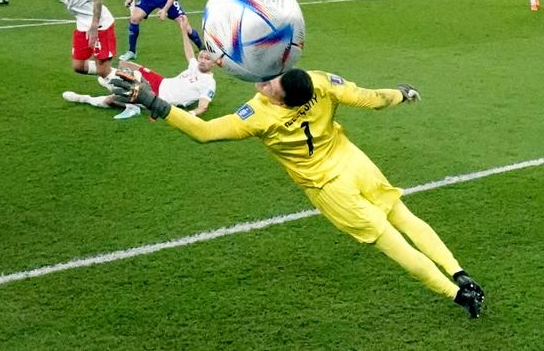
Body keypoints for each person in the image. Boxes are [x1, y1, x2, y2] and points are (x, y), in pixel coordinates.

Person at [109, 68, 486, 318]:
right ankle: (458, 273)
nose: (265, 82)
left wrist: (153, 101)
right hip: (352, 161)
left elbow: (204, 132)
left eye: (271, 84)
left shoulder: (258, 115)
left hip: (330, 188)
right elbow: (372, 98)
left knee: (392, 237)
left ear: (282, 100)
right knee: (401, 215)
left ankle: (456, 290)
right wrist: (401, 94)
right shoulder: (319, 82)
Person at [63, 25, 216, 119]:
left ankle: (84, 98)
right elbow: (189, 53)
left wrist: (192, 114)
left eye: (207, 59)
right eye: (201, 56)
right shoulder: (195, 66)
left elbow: (203, 106)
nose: (202, 60)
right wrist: (184, 31)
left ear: (214, 63)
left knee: (112, 98)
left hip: (158, 97)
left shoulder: (208, 83)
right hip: (160, 81)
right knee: (126, 64)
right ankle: (101, 74)